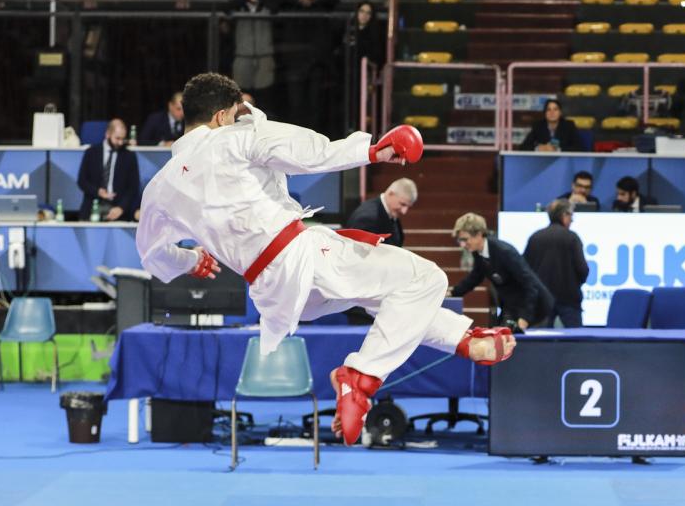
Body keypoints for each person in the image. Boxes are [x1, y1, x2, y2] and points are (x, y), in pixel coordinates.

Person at [135, 72, 514, 446]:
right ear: (221, 116)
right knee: (425, 278)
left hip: (274, 294)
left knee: (388, 298)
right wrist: (370, 151)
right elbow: (310, 153)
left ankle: (463, 341)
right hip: (300, 256)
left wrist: (188, 261)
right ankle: (360, 378)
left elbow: (151, 256)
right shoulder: (236, 137)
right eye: (237, 111)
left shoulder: (160, 187)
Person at [450, 212, 554, 331]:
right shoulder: (478, 252)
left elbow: (530, 285)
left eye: (465, 239)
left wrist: (525, 317)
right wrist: (453, 293)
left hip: (536, 308)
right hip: (513, 305)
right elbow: (475, 277)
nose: (462, 244)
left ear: (479, 234)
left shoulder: (504, 252)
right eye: (460, 240)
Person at [276, 0, 339, 131]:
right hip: (295, 62)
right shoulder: (290, 3)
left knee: (315, 104)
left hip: (316, 63)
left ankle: (314, 140)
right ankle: (296, 140)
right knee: (295, 105)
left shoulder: (321, 3)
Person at [523, 198, 590, 327]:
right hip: (569, 299)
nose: (572, 219)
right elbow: (583, 270)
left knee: (539, 343)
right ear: (564, 215)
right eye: (571, 215)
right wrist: (574, 284)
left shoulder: (535, 237)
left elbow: (526, 270)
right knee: (576, 343)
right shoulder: (572, 238)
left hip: (541, 300)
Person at [77, 119, 140, 221]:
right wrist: (98, 191)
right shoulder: (91, 153)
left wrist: (121, 208)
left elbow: (133, 188)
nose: (120, 142)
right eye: (117, 138)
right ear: (107, 134)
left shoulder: (129, 156)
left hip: (118, 207)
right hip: (93, 204)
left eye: (123, 139)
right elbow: (82, 181)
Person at [228, 0, 276, 108]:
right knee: (241, 95)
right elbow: (225, 7)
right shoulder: (239, 6)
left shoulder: (267, 5)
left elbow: (276, 7)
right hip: (243, 55)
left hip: (264, 55)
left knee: (264, 95)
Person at [343, 178, 415, 248]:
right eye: (402, 204)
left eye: (408, 207)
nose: (404, 211)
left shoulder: (390, 214)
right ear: (391, 194)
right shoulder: (367, 218)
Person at [519, 99, 583, 152]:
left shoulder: (568, 125)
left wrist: (558, 149)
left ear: (560, 113)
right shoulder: (538, 126)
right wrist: (538, 148)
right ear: (545, 113)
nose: (552, 112)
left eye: (555, 109)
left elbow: (580, 148)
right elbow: (523, 147)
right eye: (548, 110)